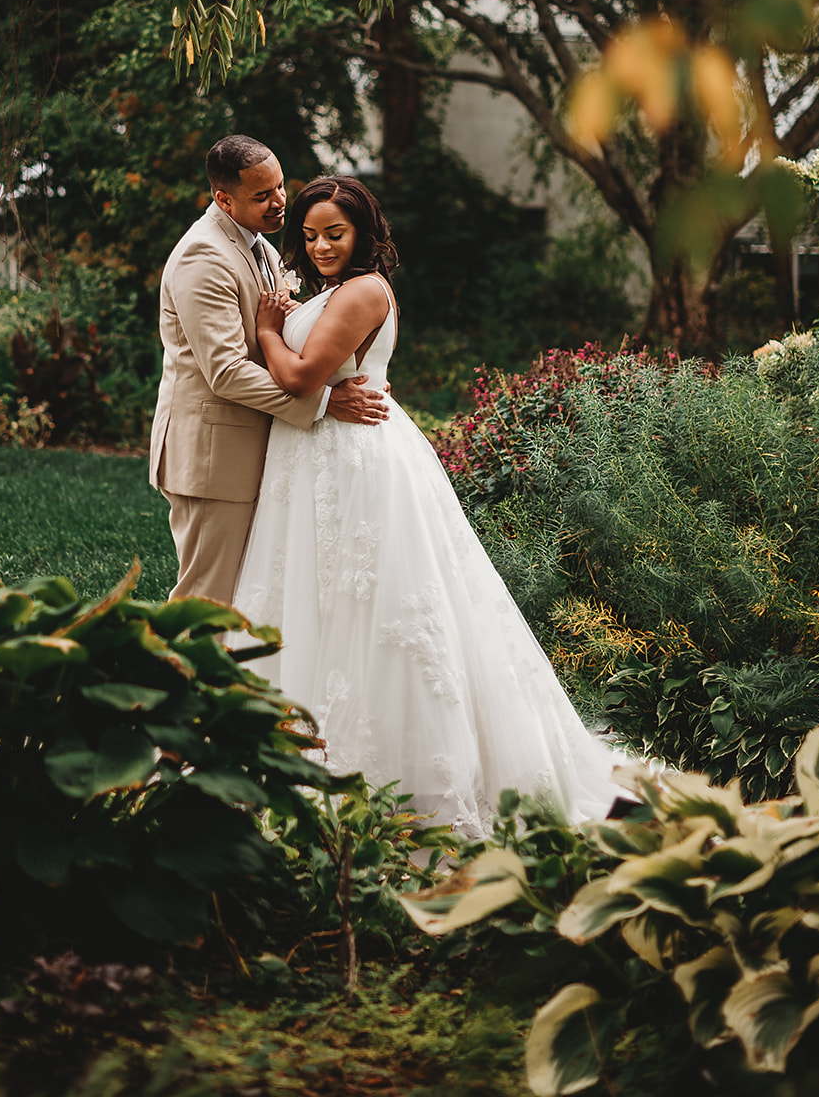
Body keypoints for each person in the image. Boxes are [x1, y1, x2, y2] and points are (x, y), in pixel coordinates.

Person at [231, 175, 625, 835]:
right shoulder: (330, 290)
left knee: (376, 608)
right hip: (316, 456)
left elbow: (300, 377)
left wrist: (270, 331)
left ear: (362, 233)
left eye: (335, 232)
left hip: (355, 460)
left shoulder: (363, 290)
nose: (321, 245)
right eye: (309, 235)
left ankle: (409, 777)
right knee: (317, 600)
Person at [149, 137, 389, 604]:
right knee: (207, 598)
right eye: (262, 195)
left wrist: (347, 371)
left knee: (247, 597)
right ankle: (172, 678)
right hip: (213, 455)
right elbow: (227, 371)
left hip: (258, 446)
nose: (280, 202)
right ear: (224, 199)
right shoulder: (204, 256)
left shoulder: (259, 246)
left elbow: (290, 326)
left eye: (279, 187)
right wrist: (324, 400)